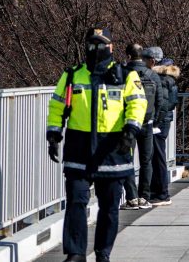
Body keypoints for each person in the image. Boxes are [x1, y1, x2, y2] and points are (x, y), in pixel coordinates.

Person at [46, 27, 147, 262]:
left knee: (109, 207)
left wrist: (131, 131)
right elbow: (57, 105)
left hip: (112, 149)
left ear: (112, 47)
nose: (96, 49)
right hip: (79, 148)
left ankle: (103, 253)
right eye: (92, 44)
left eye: (101, 44)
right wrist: (53, 134)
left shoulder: (126, 75)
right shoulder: (72, 75)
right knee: (76, 202)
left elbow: (137, 104)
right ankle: (76, 253)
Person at [121, 43, 165, 211]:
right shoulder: (153, 75)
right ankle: (144, 197)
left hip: (128, 124)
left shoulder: (123, 73)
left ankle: (131, 198)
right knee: (146, 161)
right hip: (147, 123)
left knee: (127, 160)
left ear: (128, 55)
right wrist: (155, 119)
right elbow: (160, 101)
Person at [145, 48, 179, 206]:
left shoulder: (161, 78)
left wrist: (155, 122)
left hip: (159, 122)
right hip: (164, 120)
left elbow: (163, 103)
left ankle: (161, 194)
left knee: (157, 156)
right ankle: (159, 192)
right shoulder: (168, 77)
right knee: (157, 156)